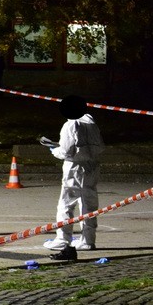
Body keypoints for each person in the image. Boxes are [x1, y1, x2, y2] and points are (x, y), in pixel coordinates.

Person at [42, 95, 105, 256]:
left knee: (66, 204)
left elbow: (66, 151)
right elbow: (100, 146)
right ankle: (88, 240)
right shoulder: (91, 123)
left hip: (75, 167)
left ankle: (63, 239)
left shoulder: (70, 125)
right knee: (89, 204)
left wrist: (54, 150)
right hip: (92, 166)